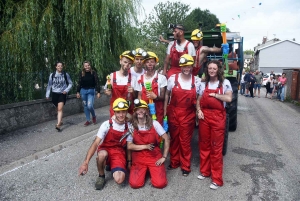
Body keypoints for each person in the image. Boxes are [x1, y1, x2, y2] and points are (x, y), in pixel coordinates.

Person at [78, 98, 131, 190]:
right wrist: (86, 162)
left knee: (120, 179)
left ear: (126, 111)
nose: (121, 115)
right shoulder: (107, 124)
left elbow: (129, 146)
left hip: (118, 152)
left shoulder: (129, 125)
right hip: (106, 149)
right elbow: (95, 143)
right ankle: (101, 175)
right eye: (118, 112)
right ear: (114, 112)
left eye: (123, 111)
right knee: (102, 155)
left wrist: (129, 161)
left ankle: (111, 164)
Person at [196, 60, 232, 190]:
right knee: (204, 145)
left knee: (216, 148)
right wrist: (198, 110)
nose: (211, 70)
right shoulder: (203, 83)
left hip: (218, 117)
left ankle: (217, 179)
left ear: (218, 70)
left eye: (214, 68)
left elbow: (228, 99)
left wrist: (216, 95)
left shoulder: (225, 83)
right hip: (204, 117)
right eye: (210, 68)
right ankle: (205, 171)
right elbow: (199, 100)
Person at [164, 54, 201, 176]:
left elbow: (199, 99)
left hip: (188, 114)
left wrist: (197, 113)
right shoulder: (172, 79)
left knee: (185, 141)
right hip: (173, 113)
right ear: (180, 66)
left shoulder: (196, 81)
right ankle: (174, 162)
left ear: (191, 66)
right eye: (184, 66)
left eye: (188, 66)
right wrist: (165, 111)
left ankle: (185, 165)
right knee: (174, 139)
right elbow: (167, 95)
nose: (186, 68)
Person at [127, 99, 170, 189]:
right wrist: (145, 146)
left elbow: (167, 138)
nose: (140, 111)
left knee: (160, 184)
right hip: (139, 157)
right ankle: (146, 170)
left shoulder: (155, 124)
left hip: (153, 156)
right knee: (134, 184)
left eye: (143, 109)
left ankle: (151, 171)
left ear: (147, 111)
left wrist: (164, 157)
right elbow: (129, 146)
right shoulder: (131, 126)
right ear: (135, 112)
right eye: (138, 109)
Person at [104, 50, 139, 117]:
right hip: (115, 110)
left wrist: (133, 92)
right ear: (120, 61)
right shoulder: (112, 76)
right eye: (125, 62)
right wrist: (107, 92)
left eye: (129, 63)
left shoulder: (133, 78)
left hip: (128, 111)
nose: (127, 65)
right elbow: (107, 92)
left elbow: (136, 97)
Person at [136, 51, 167, 125]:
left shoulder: (161, 78)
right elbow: (139, 95)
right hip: (144, 111)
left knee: (158, 133)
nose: (150, 64)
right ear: (144, 64)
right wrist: (139, 109)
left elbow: (164, 97)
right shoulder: (139, 78)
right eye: (147, 62)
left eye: (152, 62)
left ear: (155, 63)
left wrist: (155, 97)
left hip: (158, 111)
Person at [46, 61, 73, 131]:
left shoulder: (65, 74)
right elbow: (49, 85)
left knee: (60, 109)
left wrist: (66, 90)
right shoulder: (52, 75)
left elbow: (70, 83)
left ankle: (58, 125)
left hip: (62, 93)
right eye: (58, 66)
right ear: (56, 67)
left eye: (61, 66)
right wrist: (47, 94)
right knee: (58, 109)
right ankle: (60, 120)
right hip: (54, 93)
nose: (60, 67)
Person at [76, 61, 101, 126]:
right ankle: (88, 120)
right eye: (85, 66)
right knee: (85, 106)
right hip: (83, 91)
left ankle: (94, 116)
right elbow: (79, 83)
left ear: (90, 66)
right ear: (84, 67)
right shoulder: (82, 73)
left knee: (90, 105)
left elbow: (97, 82)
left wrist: (98, 92)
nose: (87, 67)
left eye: (88, 65)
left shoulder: (93, 73)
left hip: (91, 90)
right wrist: (78, 91)